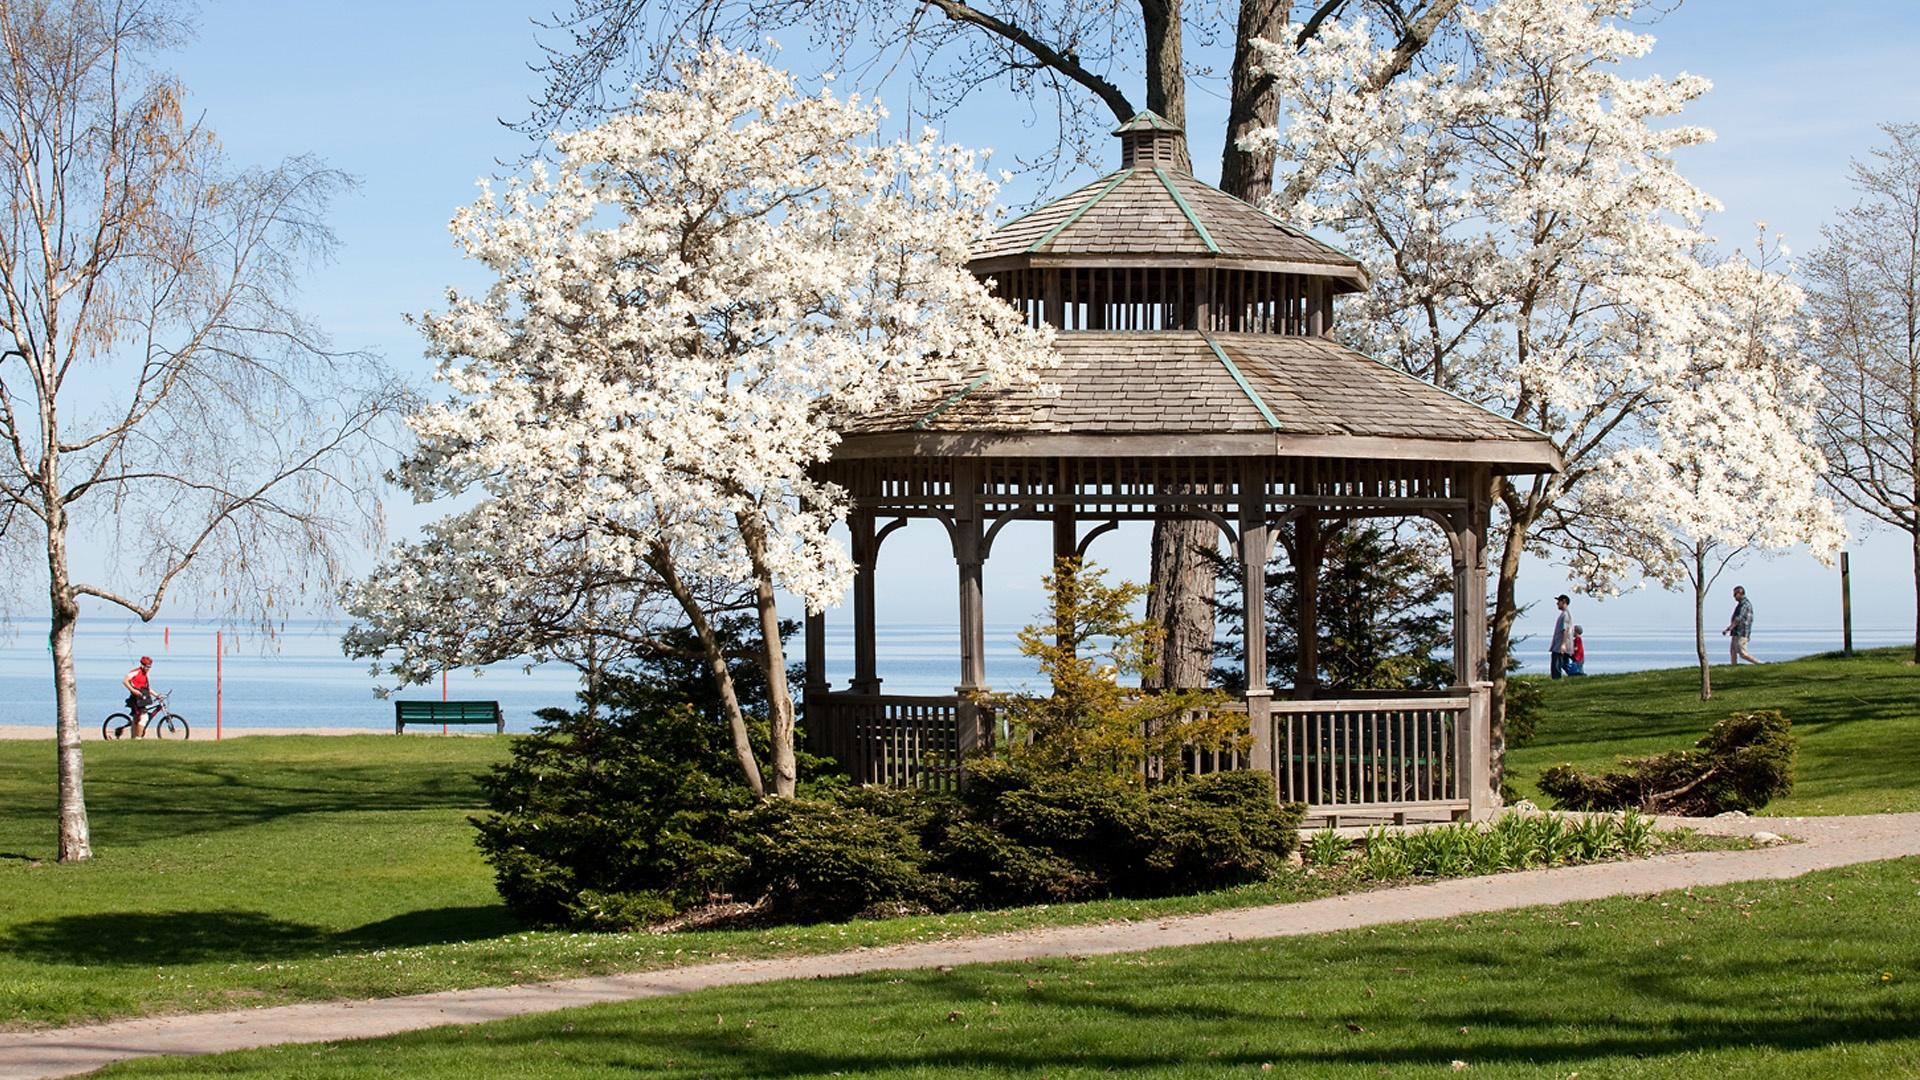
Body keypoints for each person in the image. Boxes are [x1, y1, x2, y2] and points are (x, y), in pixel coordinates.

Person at [1722, 585, 1760, 664]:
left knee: (1742, 653)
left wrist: (1728, 629)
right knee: (1733, 651)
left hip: (1741, 632)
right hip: (1736, 632)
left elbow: (1738, 619)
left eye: (1735, 594)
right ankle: (1733, 666)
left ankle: (1759, 663)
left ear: (1740, 593)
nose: (1734, 596)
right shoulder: (1741, 604)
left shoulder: (1744, 604)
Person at [123, 656, 157, 737]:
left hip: (141, 699)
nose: (148, 669)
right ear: (142, 665)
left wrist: (157, 695)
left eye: (150, 667)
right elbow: (125, 681)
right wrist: (133, 690)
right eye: (147, 667)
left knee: (136, 719)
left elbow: (147, 688)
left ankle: (134, 738)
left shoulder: (145, 675)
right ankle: (138, 738)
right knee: (144, 718)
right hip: (135, 699)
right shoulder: (136, 672)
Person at [1549, 594, 1575, 678]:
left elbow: (1565, 630)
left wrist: (1563, 644)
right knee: (1563, 664)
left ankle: (1556, 679)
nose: (1557, 604)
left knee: (1556, 664)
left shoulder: (1565, 615)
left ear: (1563, 602)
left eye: (1558, 602)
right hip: (1559, 644)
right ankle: (1575, 675)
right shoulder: (1564, 614)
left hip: (1560, 645)